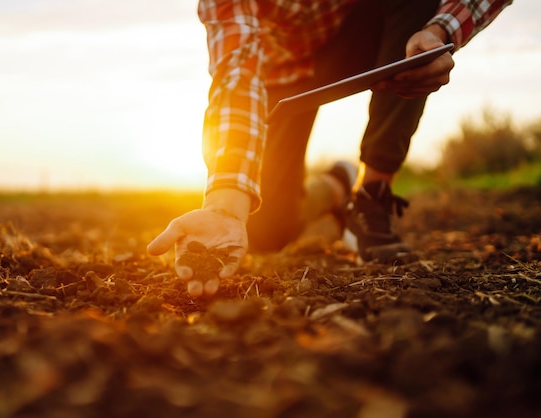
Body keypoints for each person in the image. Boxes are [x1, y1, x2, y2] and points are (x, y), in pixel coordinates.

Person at [147, 0, 513, 297]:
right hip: (277, 74)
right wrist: (226, 204)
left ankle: (373, 194)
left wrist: (441, 30)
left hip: (362, 35)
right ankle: (337, 185)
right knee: (267, 231)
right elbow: (237, 75)